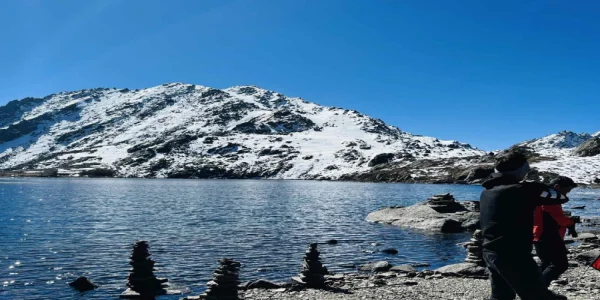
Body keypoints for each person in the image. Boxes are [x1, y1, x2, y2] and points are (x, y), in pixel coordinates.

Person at [480, 152, 568, 300]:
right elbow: (560, 198)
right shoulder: (521, 190)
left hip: (490, 251)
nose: (527, 173)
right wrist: (535, 185)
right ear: (519, 170)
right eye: (527, 170)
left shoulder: (487, 191)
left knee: (501, 296)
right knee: (539, 297)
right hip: (514, 255)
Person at [533, 176, 578, 287]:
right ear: (557, 187)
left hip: (537, 234)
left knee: (546, 262)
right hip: (548, 235)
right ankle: (538, 290)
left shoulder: (540, 197)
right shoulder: (550, 200)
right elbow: (559, 219)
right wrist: (570, 222)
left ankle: (534, 288)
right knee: (560, 264)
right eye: (566, 191)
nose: (566, 195)